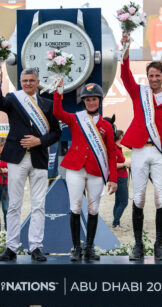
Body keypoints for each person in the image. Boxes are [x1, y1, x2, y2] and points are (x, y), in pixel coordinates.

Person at [121, 32, 162, 261]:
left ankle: (159, 245)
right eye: (150, 75)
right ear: (146, 77)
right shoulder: (139, 93)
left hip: (160, 154)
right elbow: (125, 75)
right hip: (138, 149)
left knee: (160, 198)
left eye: (157, 75)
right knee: (138, 198)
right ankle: (138, 246)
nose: (153, 79)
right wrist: (125, 48)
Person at [0, 67, 61, 262]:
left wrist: (40, 141)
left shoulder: (47, 105)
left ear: (38, 82)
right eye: (25, 81)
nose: (28, 83)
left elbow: (56, 132)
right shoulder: (13, 99)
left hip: (39, 158)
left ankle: (36, 247)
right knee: (14, 204)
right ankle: (11, 247)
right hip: (16, 158)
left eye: (31, 80)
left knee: (39, 204)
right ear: (20, 82)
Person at [53, 81, 117, 261]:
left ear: (99, 101)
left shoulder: (106, 126)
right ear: (84, 101)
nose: (91, 102)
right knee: (75, 206)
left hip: (96, 170)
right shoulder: (75, 118)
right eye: (88, 100)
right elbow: (58, 112)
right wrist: (58, 91)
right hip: (76, 168)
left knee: (93, 208)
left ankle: (89, 247)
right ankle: (75, 247)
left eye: (94, 99)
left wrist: (113, 178)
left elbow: (112, 153)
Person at [112, 128, 130, 228]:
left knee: (118, 201)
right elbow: (113, 164)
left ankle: (116, 221)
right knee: (124, 201)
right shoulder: (115, 149)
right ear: (120, 137)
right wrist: (124, 163)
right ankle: (116, 222)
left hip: (120, 176)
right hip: (120, 177)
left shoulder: (117, 148)